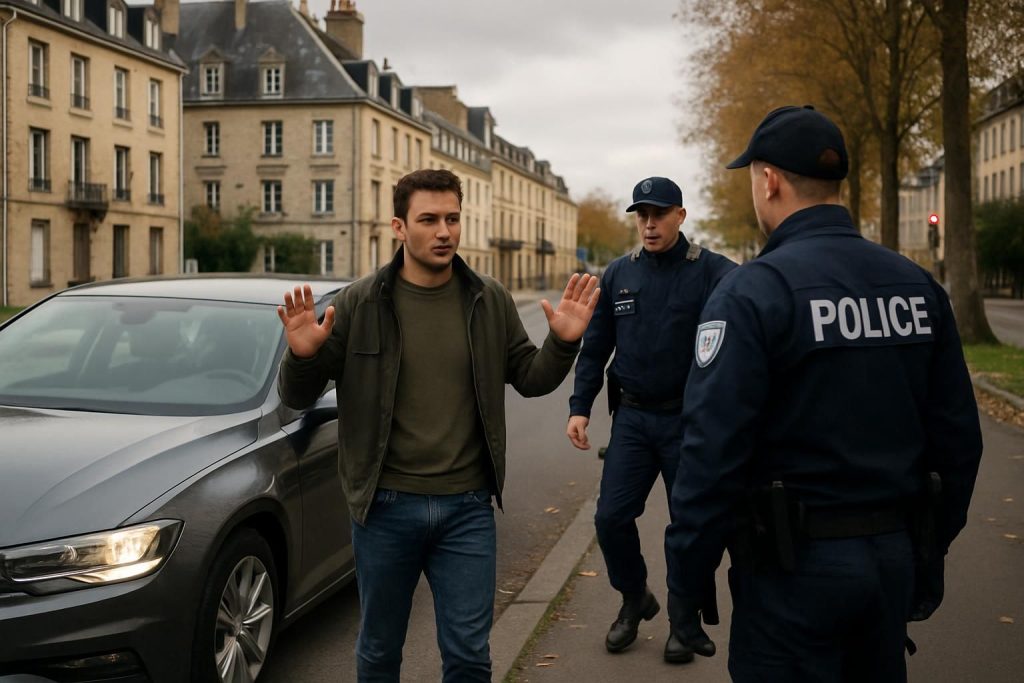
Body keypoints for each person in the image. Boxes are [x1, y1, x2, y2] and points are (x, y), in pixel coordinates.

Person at [664, 105, 984, 680]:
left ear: (769, 181)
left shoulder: (753, 293)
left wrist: (687, 577)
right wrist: (926, 548)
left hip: (791, 573)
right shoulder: (916, 286)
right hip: (892, 560)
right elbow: (958, 440)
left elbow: (710, 452)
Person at [276, 169, 600, 682]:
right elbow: (296, 397)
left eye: (453, 218)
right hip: (384, 508)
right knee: (380, 650)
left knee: (470, 656)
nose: (444, 231)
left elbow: (531, 380)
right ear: (399, 227)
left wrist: (563, 342)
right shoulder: (361, 302)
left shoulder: (487, 298)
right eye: (429, 220)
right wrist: (302, 356)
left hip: (466, 509)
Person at [565, 176, 735, 662]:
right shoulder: (618, 274)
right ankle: (634, 597)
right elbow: (595, 349)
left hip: (689, 423)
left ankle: (684, 621)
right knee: (611, 517)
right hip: (634, 421)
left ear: (681, 216)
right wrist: (580, 407)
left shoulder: (715, 273)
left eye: (659, 214)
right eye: (642, 215)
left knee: (691, 525)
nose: (649, 223)